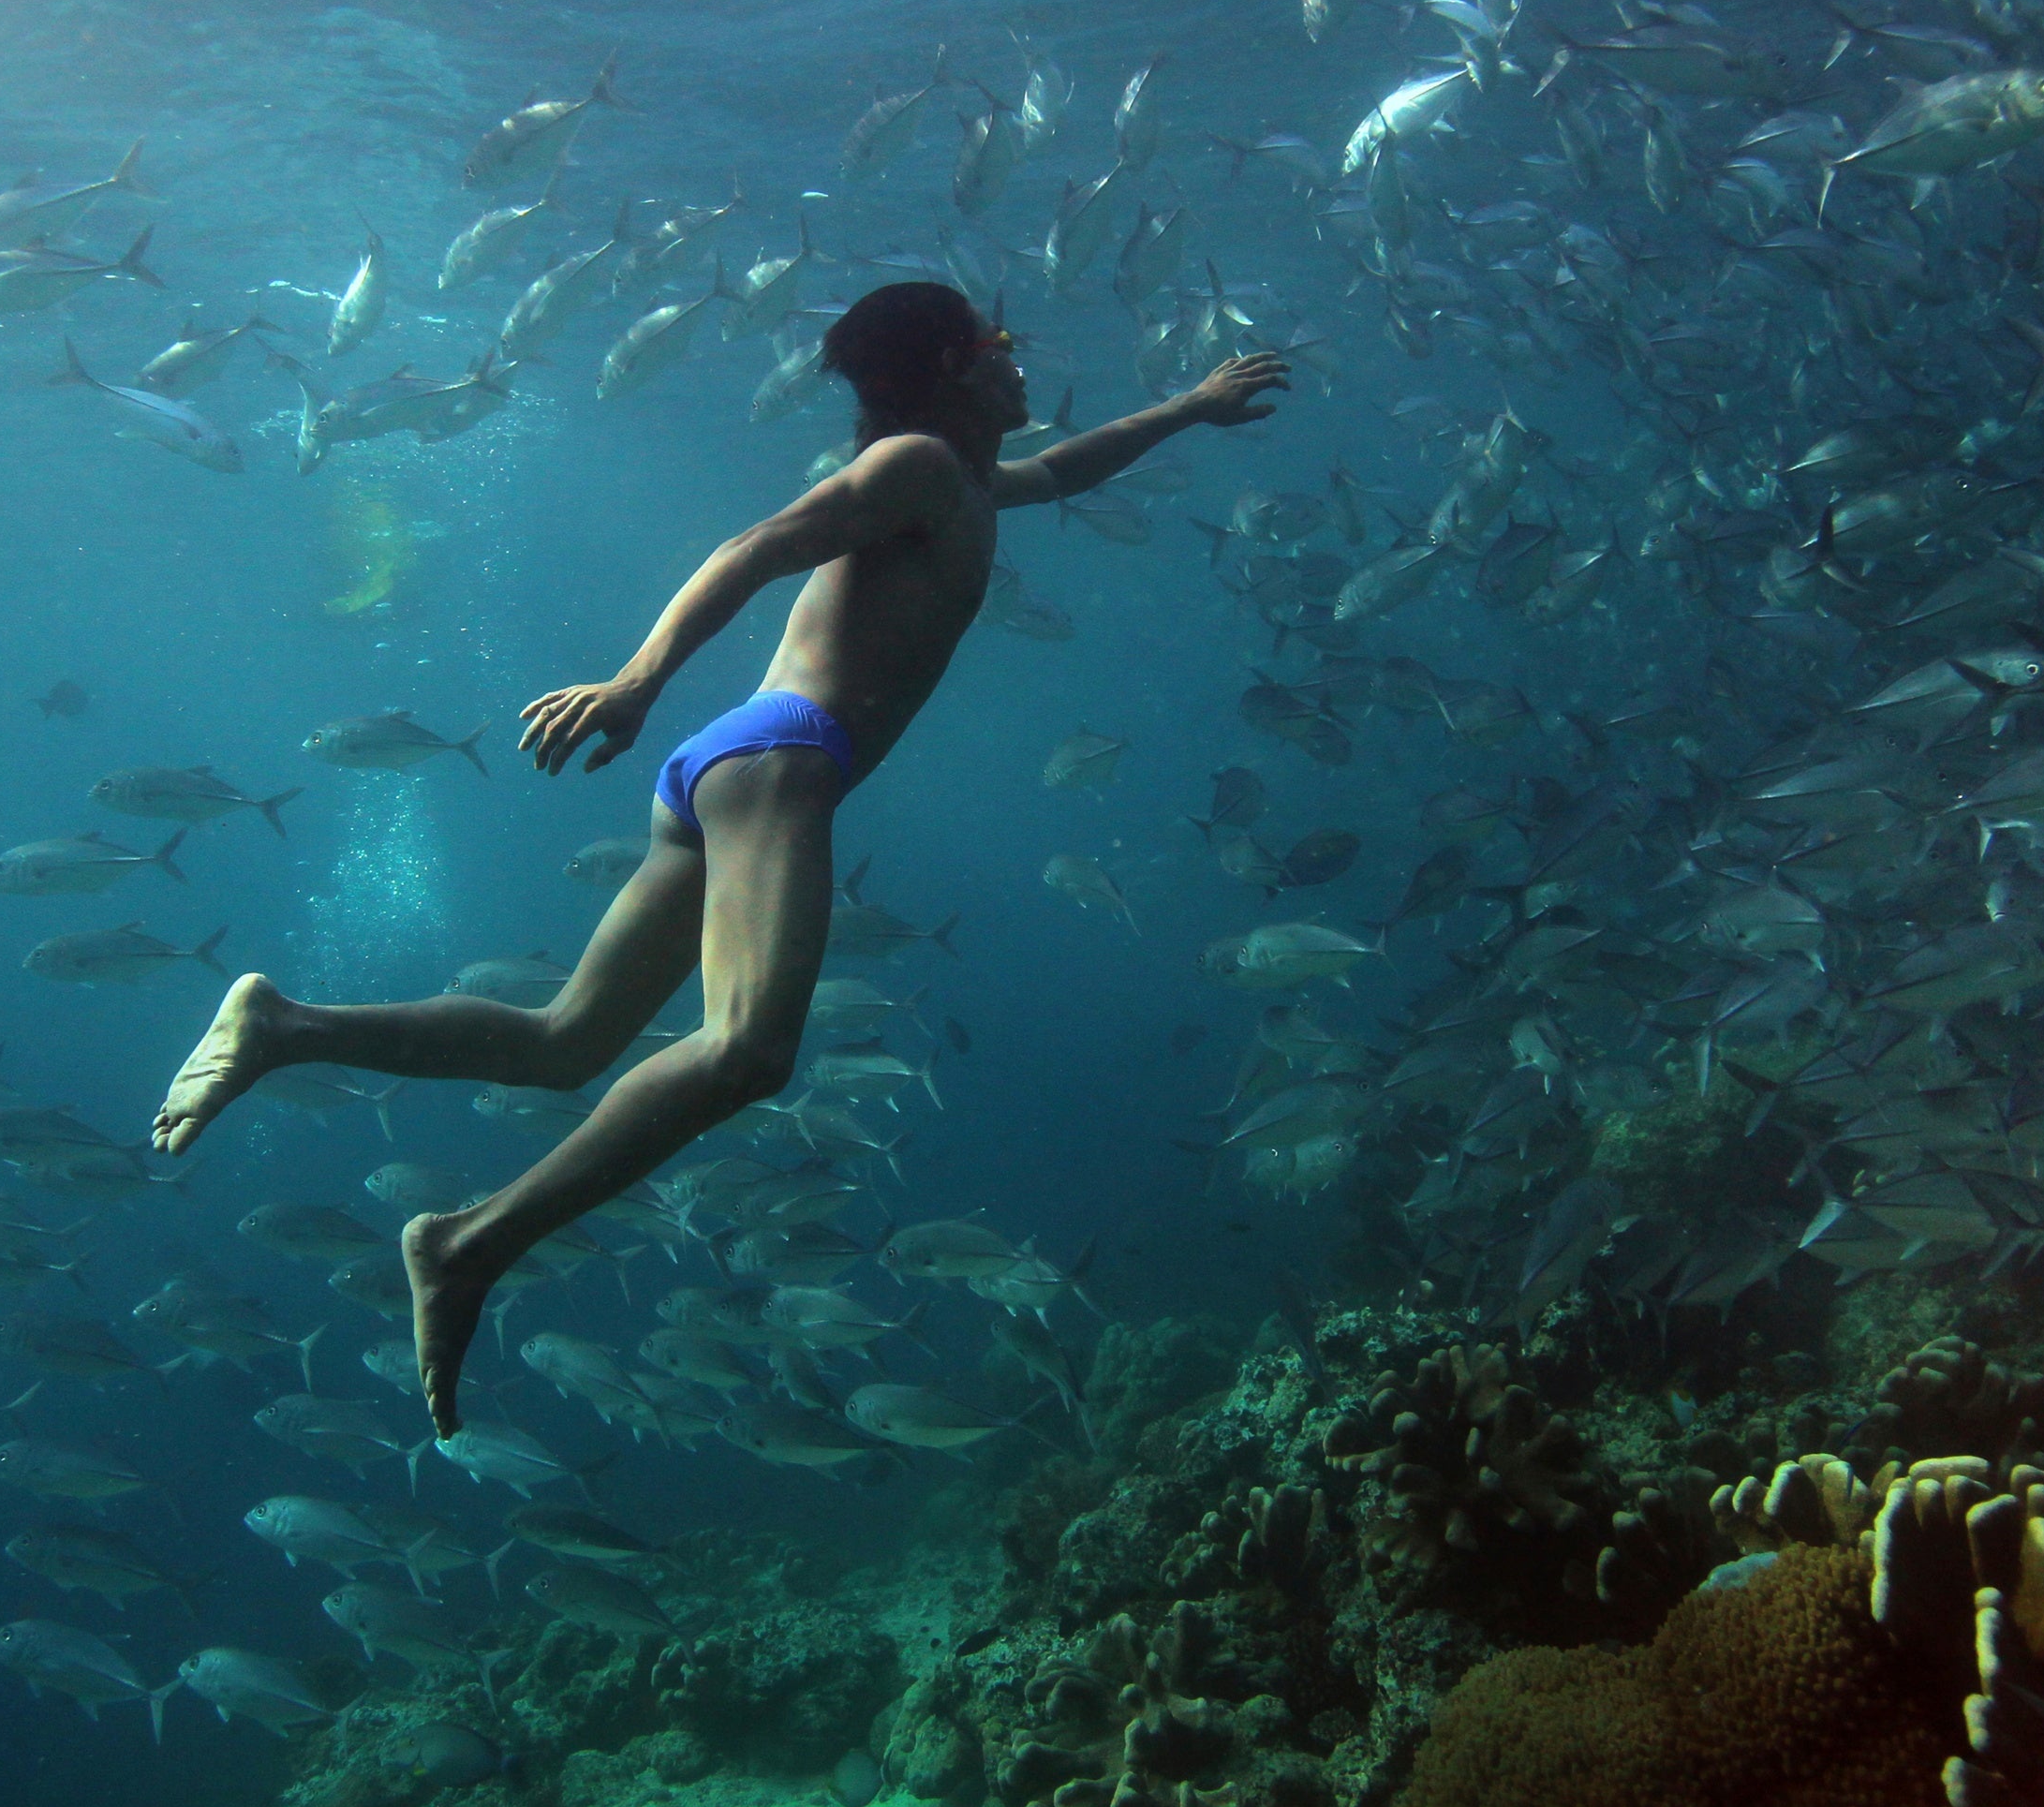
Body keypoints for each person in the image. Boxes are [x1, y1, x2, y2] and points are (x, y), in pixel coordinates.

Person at [151, 281, 1292, 1436]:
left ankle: (285, 1027)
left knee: (565, 1039)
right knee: (747, 1050)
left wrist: (1192, 407)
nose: (1020, 361)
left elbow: (1069, 467)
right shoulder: (919, 469)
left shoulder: (970, 482)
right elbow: (758, 545)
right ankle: (464, 1245)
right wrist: (634, 680)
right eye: (1000, 343)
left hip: (736, 767)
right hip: (782, 762)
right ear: (953, 366)